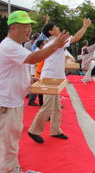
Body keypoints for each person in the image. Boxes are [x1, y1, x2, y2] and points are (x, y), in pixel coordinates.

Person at [0, 10, 70, 173]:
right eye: (26, 26)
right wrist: (55, 46)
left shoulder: (13, 46)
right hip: (7, 104)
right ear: (14, 27)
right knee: (7, 143)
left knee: (11, 140)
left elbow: (16, 70)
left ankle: (12, 168)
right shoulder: (9, 46)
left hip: (11, 102)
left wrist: (29, 81)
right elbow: (34, 58)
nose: (29, 30)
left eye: (30, 26)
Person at [28, 18, 91, 143]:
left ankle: (55, 130)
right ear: (51, 31)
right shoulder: (56, 41)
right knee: (48, 106)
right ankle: (33, 130)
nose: (58, 29)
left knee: (56, 106)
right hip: (49, 78)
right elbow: (76, 38)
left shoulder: (54, 41)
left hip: (55, 77)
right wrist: (85, 26)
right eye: (55, 27)